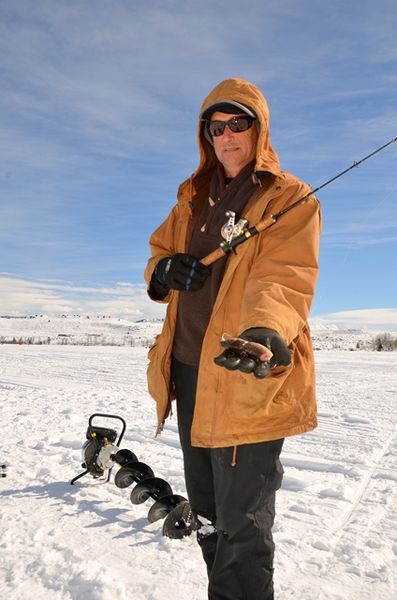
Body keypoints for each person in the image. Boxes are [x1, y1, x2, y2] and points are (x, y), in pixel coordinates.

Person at [144, 77, 321, 600]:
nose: (226, 136)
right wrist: (164, 271)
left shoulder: (288, 197)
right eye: (215, 127)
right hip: (189, 372)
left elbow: (284, 277)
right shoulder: (192, 198)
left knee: (242, 526)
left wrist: (264, 329)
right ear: (206, 136)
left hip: (248, 373)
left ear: (258, 128)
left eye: (237, 123)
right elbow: (158, 251)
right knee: (206, 515)